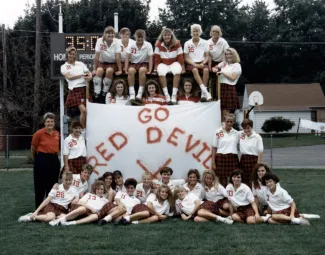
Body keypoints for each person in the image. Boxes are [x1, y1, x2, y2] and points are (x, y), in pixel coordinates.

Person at [31, 112, 60, 208]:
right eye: (48, 121)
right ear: (44, 123)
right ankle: (38, 208)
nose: (50, 123)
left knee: (52, 185)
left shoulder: (57, 134)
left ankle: (50, 208)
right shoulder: (38, 134)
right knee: (40, 185)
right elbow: (33, 148)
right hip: (42, 160)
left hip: (54, 160)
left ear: (54, 123)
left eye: (52, 121)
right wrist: (37, 158)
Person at [61, 46, 92, 128]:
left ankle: (87, 128)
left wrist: (90, 76)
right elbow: (69, 77)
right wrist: (81, 75)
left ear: (75, 55)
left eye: (73, 54)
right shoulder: (64, 66)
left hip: (85, 88)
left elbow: (88, 73)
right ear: (67, 55)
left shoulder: (81, 64)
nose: (71, 56)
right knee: (84, 111)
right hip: (75, 90)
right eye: (70, 54)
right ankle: (83, 129)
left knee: (90, 111)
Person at [153, 28, 185, 104]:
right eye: (165, 35)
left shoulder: (177, 43)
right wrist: (155, 70)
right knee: (160, 72)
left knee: (177, 71)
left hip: (174, 62)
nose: (167, 37)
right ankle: (166, 95)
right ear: (162, 36)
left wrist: (183, 68)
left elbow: (180, 56)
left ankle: (174, 95)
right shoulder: (158, 44)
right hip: (163, 63)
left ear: (171, 35)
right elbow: (157, 58)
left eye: (168, 35)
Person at [93, 26, 122, 100]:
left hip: (112, 63)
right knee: (99, 71)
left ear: (114, 35)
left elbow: (118, 57)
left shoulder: (117, 41)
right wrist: (94, 69)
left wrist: (120, 70)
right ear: (104, 34)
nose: (110, 35)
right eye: (108, 33)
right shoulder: (99, 41)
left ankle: (104, 92)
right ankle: (97, 93)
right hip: (102, 62)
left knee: (109, 71)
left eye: (112, 33)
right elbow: (96, 56)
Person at [184, 24, 211, 102]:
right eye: (194, 31)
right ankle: (206, 92)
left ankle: (203, 94)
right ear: (191, 32)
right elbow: (186, 58)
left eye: (197, 31)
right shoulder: (187, 43)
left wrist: (203, 63)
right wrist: (194, 64)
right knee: (195, 70)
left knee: (206, 70)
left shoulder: (205, 42)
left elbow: (207, 56)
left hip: (202, 63)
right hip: (191, 64)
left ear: (200, 32)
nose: (195, 33)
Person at [125, 29, 153, 104]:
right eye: (138, 37)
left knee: (142, 71)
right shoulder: (131, 45)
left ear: (144, 37)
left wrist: (150, 70)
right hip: (133, 63)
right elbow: (127, 57)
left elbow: (150, 58)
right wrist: (126, 69)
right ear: (135, 36)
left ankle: (139, 94)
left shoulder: (148, 45)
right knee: (130, 71)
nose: (140, 39)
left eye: (142, 37)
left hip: (144, 63)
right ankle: (132, 94)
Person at [211, 113, 240, 187]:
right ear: (224, 121)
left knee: (233, 178)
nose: (229, 123)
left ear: (233, 122)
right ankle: (224, 196)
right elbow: (214, 147)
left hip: (233, 157)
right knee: (222, 180)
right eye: (227, 121)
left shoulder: (237, 133)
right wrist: (213, 162)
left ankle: (231, 196)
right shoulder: (218, 132)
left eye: (231, 121)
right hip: (221, 157)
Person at [212, 47, 241, 120]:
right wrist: (215, 69)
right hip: (220, 87)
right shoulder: (224, 63)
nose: (228, 56)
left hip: (229, 88)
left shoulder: (237, 65)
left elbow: (233, 77)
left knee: (226, 112)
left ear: (234, 55)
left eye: (230, 54)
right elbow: (214, 68)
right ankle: (221, 128)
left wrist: (223, 72)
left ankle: (226, 128)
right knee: (219, 111)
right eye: (226, 54)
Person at [239, 119, 264, 185]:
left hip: (253, 159)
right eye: (244, 128)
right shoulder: (241, 135)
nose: (246, 130)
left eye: (248, 128)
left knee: (253, 179)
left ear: (251, 127)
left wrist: (258, 163)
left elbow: (260, 150)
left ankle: (254, 194)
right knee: (244, 178)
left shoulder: (257, 137)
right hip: (243, 159)